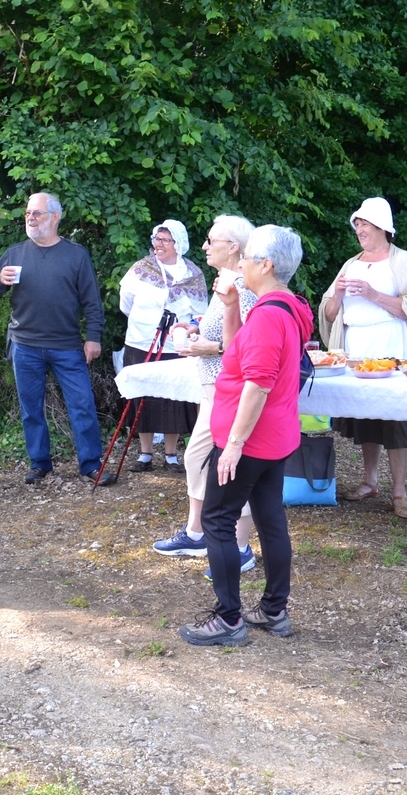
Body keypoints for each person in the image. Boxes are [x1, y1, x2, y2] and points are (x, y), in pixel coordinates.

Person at [178, 225, 313, 646]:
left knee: (217, 521)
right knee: (271, 518)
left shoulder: (272, 315)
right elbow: (239, 351)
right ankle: (274, 610)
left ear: (266, 264)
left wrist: (233, 446)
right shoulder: (287, 306)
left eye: (248, 258)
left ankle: (228, 618)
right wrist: (232, 306)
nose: (241, 264)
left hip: (251, 438)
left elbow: (257, 384)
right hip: (276, 435)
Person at [0, 193, 115, 485]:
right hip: (24, 345)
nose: (31, 218)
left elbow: (92, 302)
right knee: (31, 409)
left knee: (82, 404)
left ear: (55, 217)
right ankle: (39, 463)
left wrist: (93, 338)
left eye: (38, 213)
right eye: (28, 213)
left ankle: (91, 465)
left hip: (67, 346)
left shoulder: (76, 254)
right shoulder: (15, 253)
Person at [318, 197, 407, 519]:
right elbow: (329, 314)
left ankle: (400, 493)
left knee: (395, 418)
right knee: (366, 418)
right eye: (357, 224)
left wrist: (372, 294)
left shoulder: (403, 262)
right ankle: (370, 482)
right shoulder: (350, 264)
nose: (359, 229)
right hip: (356, 350)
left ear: (382, 227)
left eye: (365, 224)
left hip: (392, 347)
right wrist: (339, 294)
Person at [153, 215, 258, 573]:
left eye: (212, 240)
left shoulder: (243, 285)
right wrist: (195, 327)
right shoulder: (225, 281)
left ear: (234, 247)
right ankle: (197, 533)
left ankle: (241, 547)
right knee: (197, 458)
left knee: (225, 464)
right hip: (215, 387)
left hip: (230, 388)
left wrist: (206, 348)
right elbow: (220, 326)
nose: (204, 246)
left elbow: (245, 341)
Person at [118, 220, 208, 473]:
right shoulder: (140, 269)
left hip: (175, 343)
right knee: (142, 393)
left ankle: (170, 454)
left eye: (165, 240)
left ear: (178, 244)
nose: (159, 245)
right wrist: (144, 325)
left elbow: (201, 313)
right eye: (157, 239)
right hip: (140, 340)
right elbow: (126, 303)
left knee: (173, 397)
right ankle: (145, 453)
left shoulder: (193, 274)